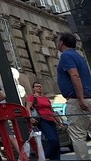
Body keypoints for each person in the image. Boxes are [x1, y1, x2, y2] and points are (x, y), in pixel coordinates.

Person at [57, 32, 90, 160]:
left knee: (78, 135)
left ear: (61, 42)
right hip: (89, 97)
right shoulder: (79, 56)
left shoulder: (66, 56)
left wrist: (80, 98)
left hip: (77, 100)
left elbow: (74, 75)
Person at [26, 81, 61, 161]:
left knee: (56, 142)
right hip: (42, 119)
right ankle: (43, 156)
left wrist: (59, 122)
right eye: (37, 86)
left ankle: (55, 158)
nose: (39, 88)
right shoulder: (32, 97)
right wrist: (30, 117)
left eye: (40, 86)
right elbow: (28, 107)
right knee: (52, 139)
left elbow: (52, 111)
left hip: (51, 120)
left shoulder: (45, 98)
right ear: (33, 88)